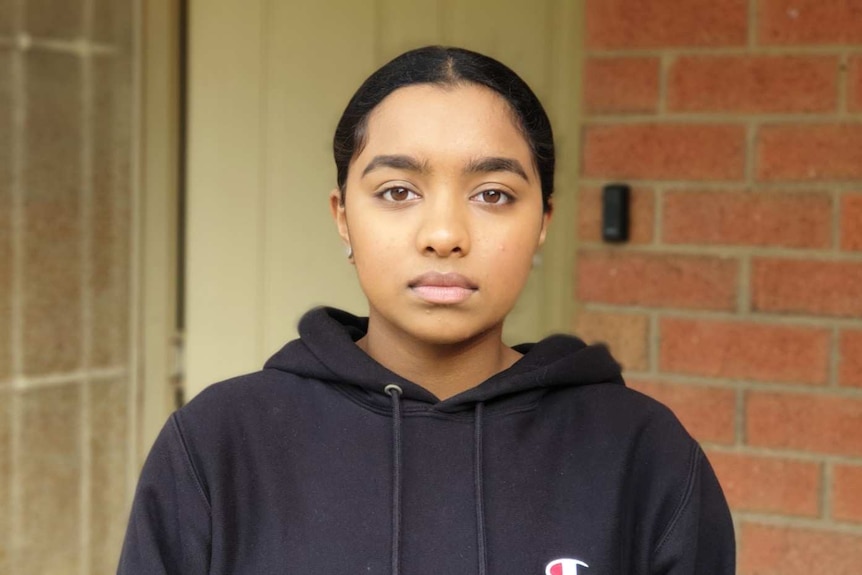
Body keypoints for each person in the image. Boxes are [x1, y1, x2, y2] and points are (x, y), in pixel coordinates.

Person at [117, 46, 735, 575]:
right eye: (397, 192)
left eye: (493, 194)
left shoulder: (641, 452)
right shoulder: (219, 444)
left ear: (543, 221)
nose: (444, 233)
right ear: (342, 217)